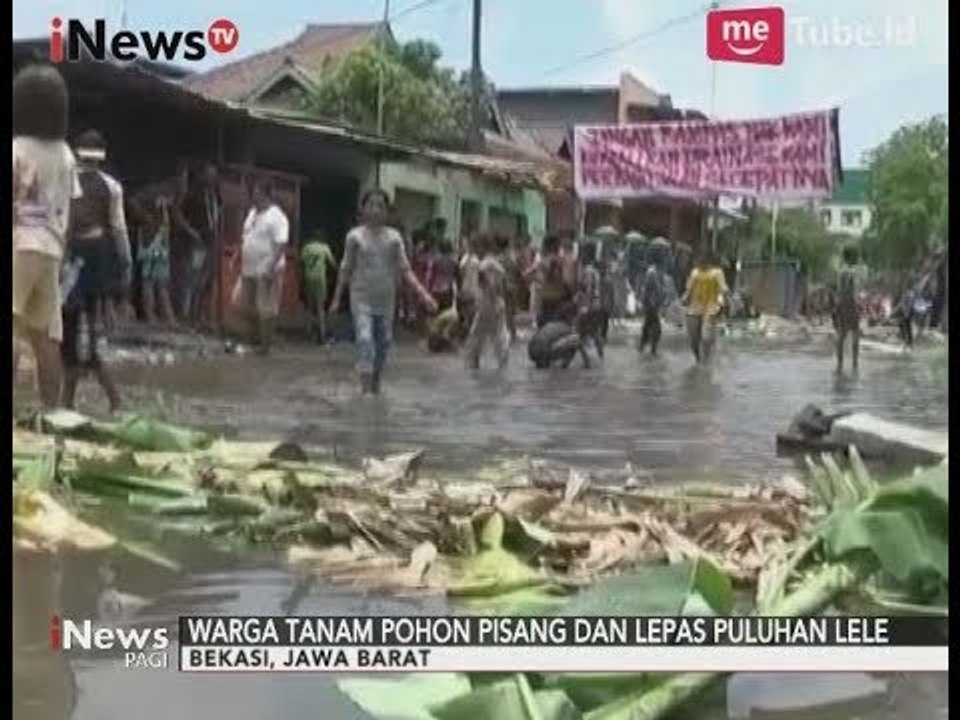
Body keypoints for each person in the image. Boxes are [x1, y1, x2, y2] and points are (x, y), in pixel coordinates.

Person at [13, 64, 80, 409]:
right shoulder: (66, 154)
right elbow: (69, 207)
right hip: (51, 249)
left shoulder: (16, 148)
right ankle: (51, 412)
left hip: (19, 245)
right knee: (47, 337)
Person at [330, 189, 437, 395]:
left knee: (384, 343)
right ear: (363, 209)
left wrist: (423, 295)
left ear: (387, 211)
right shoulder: (354, 237)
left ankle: (375, 386)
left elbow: (405, 270)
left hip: (386, 299)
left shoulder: (394, 238)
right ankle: (365, 392)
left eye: (380, 206)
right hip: (361, 297)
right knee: (364, 339)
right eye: (371, 205)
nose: (375, 210)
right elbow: (346, 268)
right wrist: (336, 299)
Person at [61, 129, 131, 412]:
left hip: (70, 261)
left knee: (69, 330)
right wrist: (125, 268)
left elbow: (60, 223)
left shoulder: (66, 182)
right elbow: (118, 229)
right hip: (96, 261)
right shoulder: (111, 186)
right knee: (90, 333)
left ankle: (67, 402)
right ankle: (114, 402)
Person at [237, 178, 289, 355]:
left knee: (266, 309)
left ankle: (264, 347)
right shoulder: (253, 213)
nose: (253, 195)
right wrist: (239, 254)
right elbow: (247, 236)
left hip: (267, 268)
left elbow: (281, 244)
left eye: (256, 192)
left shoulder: (277, 216)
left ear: (266, 194)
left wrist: (271, 268)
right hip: (248, 268)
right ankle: (253, 340)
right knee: (241, 303)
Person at [173, 163, 221, 325]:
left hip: (211, 241)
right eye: (209, 174)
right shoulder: (193, 193)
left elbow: (217, 214)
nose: (212, 178)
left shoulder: (215, 194)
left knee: (207, 280)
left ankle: (200, 316)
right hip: (197, 242)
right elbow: (177, 212)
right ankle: (186, 316)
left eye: (214, 175)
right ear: (202, 175)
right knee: (192, 279)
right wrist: (190, 230)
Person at [464, 233, 509, 371]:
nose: (474, 250)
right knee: (499, 334)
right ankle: (503, 365)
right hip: (496, 303)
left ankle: (473, 366)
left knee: (476, 335)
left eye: (475, 246)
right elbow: (502, 285)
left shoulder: (484, 264)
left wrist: (491, 298)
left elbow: (487, 284)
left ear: (482, 247)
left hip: (488, 304)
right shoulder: (495, 263)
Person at [682, 250, 728, 365]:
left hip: (711, 308)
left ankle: (705, 362)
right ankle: (698, 359)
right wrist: (684, 298)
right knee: (693, 339)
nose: (699, 261)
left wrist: (722, 301)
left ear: (708, 260)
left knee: (706, 337)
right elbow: (689, 289)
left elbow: (723, 289)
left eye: (701, 259)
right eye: (698, 259)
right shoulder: (695, 272)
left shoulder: (717, 272)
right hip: (694, 308)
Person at [138, 195, 177, 327]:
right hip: (154, 245)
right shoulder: (157, 199)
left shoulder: (161, 200)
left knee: (157, 283)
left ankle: (164, 316)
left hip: (157, 245)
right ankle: (154, 315)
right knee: (151, 283)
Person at [299, 231, 337, 343]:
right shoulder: (324, 248)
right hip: (320, 279)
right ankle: (322, 333)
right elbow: (332, 263)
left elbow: (301, 262)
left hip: (308, 278)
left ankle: (308, 332)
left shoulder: (306, 248)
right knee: (320, 307)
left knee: (310, 306)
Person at [830, 245, 863, 373]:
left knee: (842, 336)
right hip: (850, 304)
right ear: (853, 257)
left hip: (843, 304)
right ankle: (854, 365)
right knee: (855, 335)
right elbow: (853, 291)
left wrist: (837, 307)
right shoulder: (852, 272)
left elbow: (839, 291)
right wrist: (857, 305)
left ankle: (840, 366)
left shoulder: (841, 271)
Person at [532, 234, 575, 328]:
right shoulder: (564, 261)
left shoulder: (541, 262)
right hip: (560, 301)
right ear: (557, 246)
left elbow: (536, 282)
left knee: (545, 334)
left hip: (546, 302)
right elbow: (568, 281)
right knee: (560, 334)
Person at [576, 241, 605, 362]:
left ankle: (585, 360)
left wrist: (583, 307)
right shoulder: (595, 270)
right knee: (594, 331)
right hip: (596, 305)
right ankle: (600, 355)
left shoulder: (587, 271)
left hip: (588, 306)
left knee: (579, 333)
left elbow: (587, 291)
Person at [638, 252, 668, 356]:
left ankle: (645, 345)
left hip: (653, 303)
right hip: (652, 303)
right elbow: (649, 288)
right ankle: (651, 347)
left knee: (648, 325)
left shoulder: (657, 272)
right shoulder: (652, 272)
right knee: (655, 327)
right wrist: (645, 302)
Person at [425, 238, 458, 314]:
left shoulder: (435, 260)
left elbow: (431, 277)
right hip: (448, 290)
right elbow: (457, 277)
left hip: (436, 289)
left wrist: (428, 289)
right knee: (446, 314)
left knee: (435, 313)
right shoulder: (453, 262)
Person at [458, 235, 482, 336]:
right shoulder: (465, 258)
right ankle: (467, 331)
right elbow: (461, 273)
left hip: (473, 286)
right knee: (467, 310)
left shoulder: (474, 258)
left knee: (472, 311)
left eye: (466, 245)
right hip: (467, 286)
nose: (464, 246)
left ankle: (470, 332)